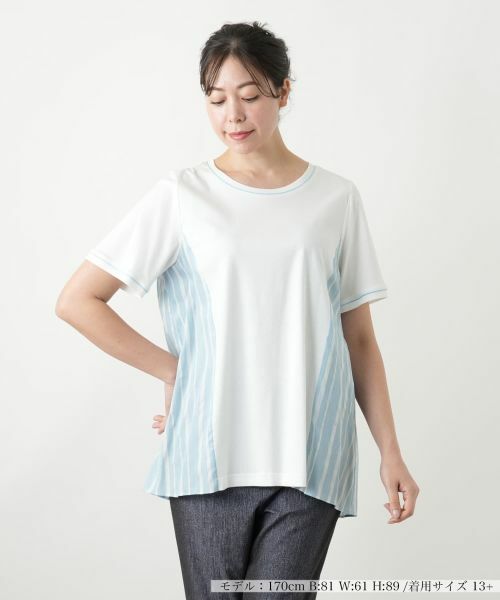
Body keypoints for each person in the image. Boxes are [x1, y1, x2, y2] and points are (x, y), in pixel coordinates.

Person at [56, 20, 420, 600]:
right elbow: (78, 301)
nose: (233, 115)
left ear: (284, 91)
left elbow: (358, 339)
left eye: (250, 96)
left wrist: (391, 452)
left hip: (312, 456)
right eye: (216, 98)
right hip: (208, 459)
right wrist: (176, 372)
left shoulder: (335, 198)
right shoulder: (183, 195)